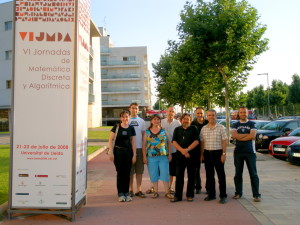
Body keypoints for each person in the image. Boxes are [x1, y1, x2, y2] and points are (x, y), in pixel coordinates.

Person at [231, 106, 261, 202]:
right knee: (238, 174)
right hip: (238, 152)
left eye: (244, 112)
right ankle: (238, 193)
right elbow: (234, 136)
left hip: (250, 152)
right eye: (241, 112)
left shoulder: (252, 123)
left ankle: (256, 194)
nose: (243, 114)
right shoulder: (235, 124)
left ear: (247, 113)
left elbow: (252, 136)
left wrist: (240, 137)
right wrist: (246, 136)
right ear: (238, 114)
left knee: (253, 174)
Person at [108, 110, 136, 202]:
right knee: (120, 173)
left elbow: (133, 142)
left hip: (128, 153)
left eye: (127, 116)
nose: (125, 118)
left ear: (129, 117)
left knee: (127, 173)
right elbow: (110, 140)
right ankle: (120, 193)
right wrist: (111, 152)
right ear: (121, 118)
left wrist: (134, 155)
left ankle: (126, 193)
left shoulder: (131, 128)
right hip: (118, 152)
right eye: (123, 117)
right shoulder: (116, 127)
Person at [142, 114, 173, 199]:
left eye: (158, 119)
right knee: (153, 174)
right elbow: (144, 145)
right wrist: (144, 157)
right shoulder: (147, 132)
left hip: (163, 156)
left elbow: (169, 143)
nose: (156, 121)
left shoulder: (164, 131)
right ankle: (155, 191)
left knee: (165, 173)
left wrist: (170, 154)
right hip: (151, 157)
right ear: (151, 121)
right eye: (154, 119)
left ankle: (167, 192)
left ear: (160, 121)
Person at [200, 109, 228, 204]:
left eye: (213, 115)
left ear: (216, 116)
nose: (211, 117)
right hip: (207, 154)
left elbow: (224, 141)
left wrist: (223, 154)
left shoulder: (221, 127)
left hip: (218, 153)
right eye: (209, 115)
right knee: (209, 175)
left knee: (221, 176)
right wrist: (202, 154)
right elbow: (202, 142)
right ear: (207, 117)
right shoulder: (203, 128)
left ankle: (223, 196)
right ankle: (211, 195)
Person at [170, 113, 199, 202]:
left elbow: (197, 141)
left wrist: (187, 150)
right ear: (181, 120)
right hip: (180, 157)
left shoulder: (194, 129)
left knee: (191, 176)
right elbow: (174, 141)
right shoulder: (177, 129)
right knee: (179, 176)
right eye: (184, 119)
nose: (186, 120)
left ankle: (190, 195)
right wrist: (182, 151)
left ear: (190, 120)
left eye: (188, 119)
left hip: (192, 156)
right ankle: (178, 196)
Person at [161, 106, 181, 194]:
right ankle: (155, 186)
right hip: (162, 149)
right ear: (166, 112)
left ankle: (170, 186)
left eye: (172, 111)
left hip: (174, 150)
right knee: (161, 169)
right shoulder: (161, 122)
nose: (170, 113)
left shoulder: (177, 123)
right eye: (169, 111)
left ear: (175, 113)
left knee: (172, 169)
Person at [128, 102, 146, 198]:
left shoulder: (142, 121)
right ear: (129, 109)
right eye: (133, 108)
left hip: (139, 148)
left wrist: (144, 150)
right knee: (130, 171)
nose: (134, 110)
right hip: (129, 150)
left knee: (139, 171)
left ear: (138, 110)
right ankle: (130, 189)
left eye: (136, 108)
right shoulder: (127, 120)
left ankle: (139, 190)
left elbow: (143, 136)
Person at [191, 107, 208, 194]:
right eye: (198, 113)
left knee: (209, 169)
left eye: (201, 113)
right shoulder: (192, 124)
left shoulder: (207, 123)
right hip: (196, 150)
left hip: (208, 148)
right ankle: (198, 187)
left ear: (204, 113)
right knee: (196, 170)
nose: (199, 115)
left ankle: (209, 188)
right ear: (195, 114)